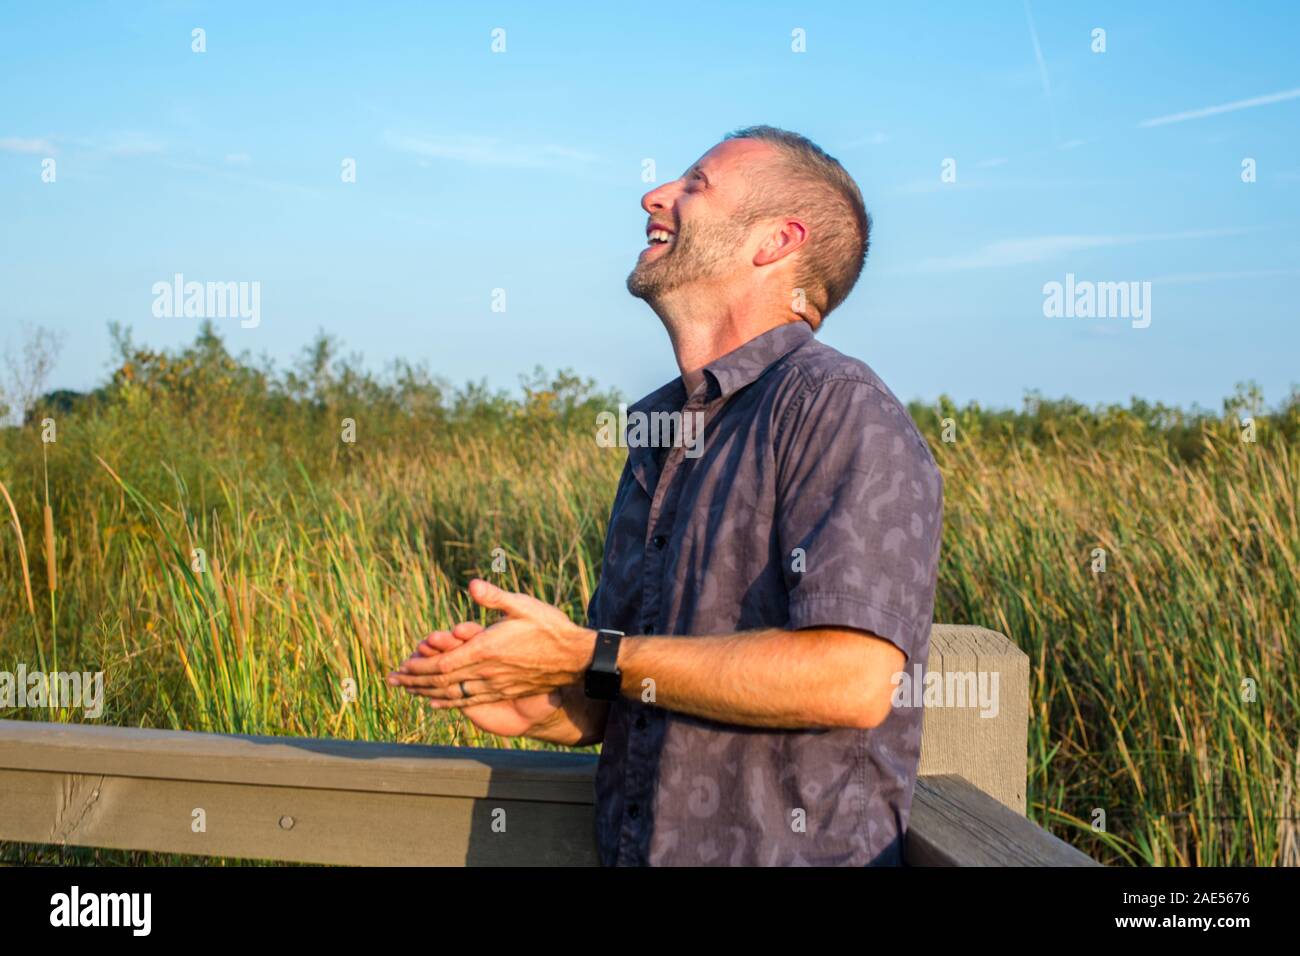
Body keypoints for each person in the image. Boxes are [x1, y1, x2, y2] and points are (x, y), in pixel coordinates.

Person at [388, 126, 943, 866]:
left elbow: (854, 678)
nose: (654, 196)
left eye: (695, 184)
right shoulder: (661, 430)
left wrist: (590, 655)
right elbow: (630, 679)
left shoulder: (839, 408)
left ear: (777, 241)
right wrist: (544, 701)